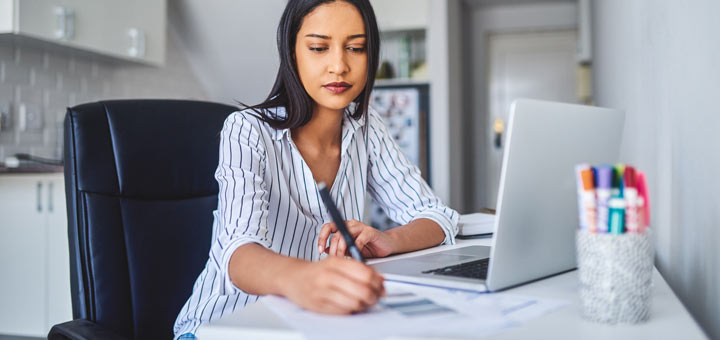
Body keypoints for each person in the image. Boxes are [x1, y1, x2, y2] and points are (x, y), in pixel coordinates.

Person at [173, 0, 458, 338]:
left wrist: (388, 240)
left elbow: (438, 217)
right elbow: (238, 253)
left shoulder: (367, 126)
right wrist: (302, 278)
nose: (339, 66)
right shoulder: (247, 130)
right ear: (292, 53)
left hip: (316, 326)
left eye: (355, 47)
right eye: (319, 47)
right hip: (223, 326)